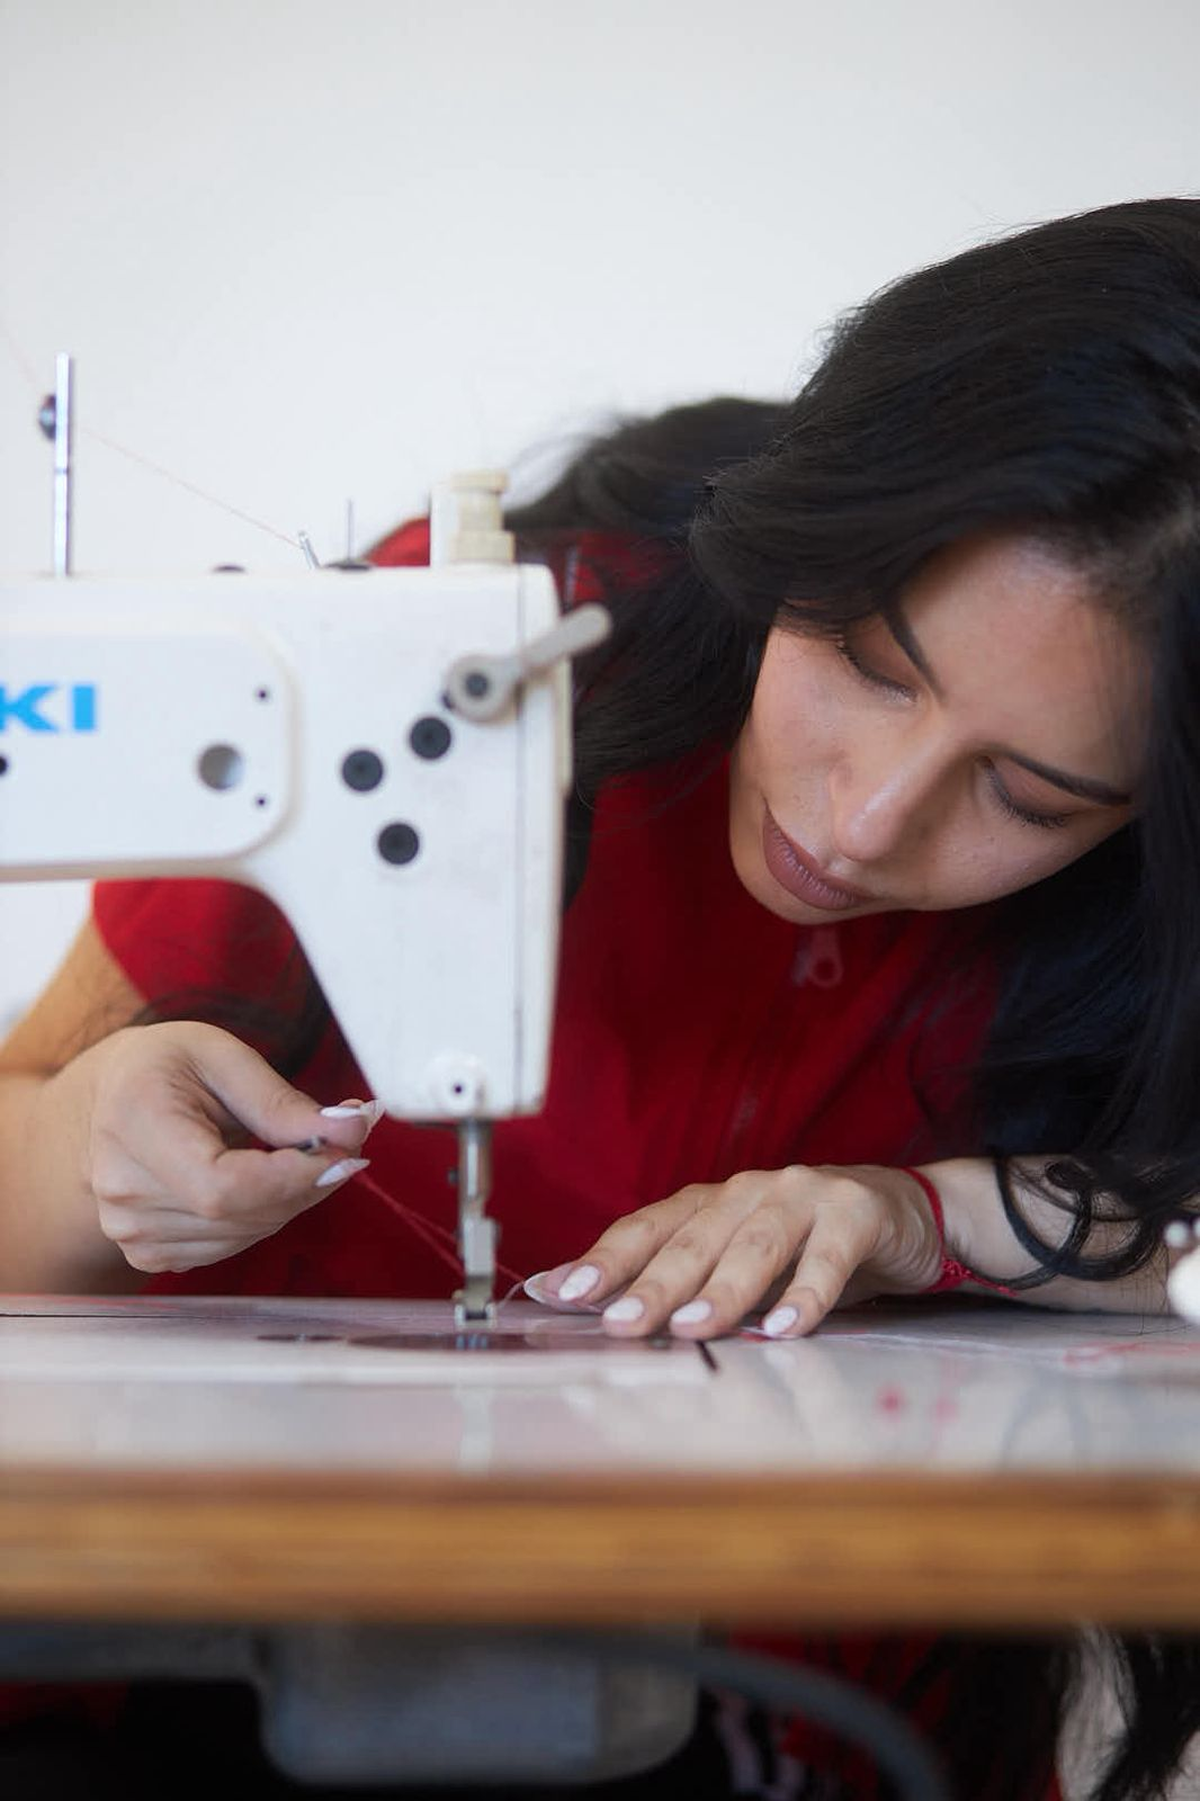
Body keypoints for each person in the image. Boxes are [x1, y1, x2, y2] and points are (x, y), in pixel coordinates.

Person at [3, 195, 1200, 1799]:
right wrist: (90, 1149)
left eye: (1034, 800)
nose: (864, 824)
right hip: (192, 1669)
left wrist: (927, 1217)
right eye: (862, 655)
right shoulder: (456, 654)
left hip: (802, 1722)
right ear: (806, 537)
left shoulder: (1141, 913)